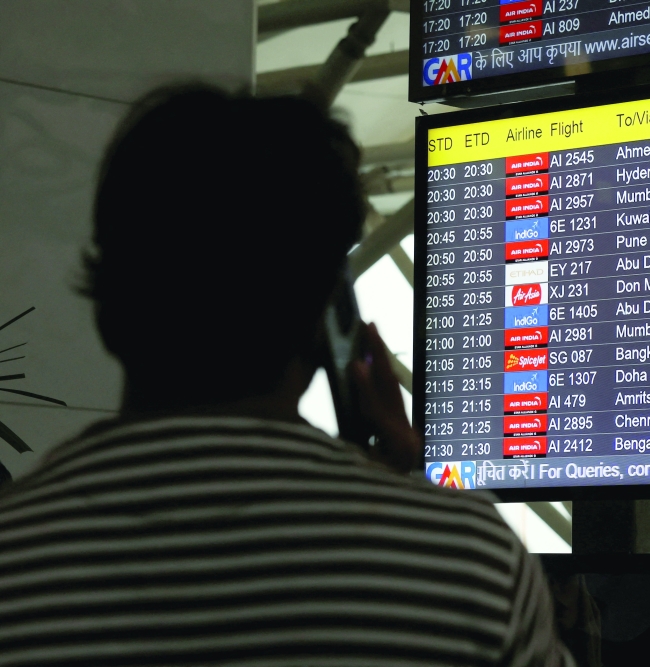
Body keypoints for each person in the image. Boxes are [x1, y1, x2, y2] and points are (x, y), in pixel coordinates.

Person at [0, 86, 572, 666]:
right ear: (327, 316)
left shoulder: (17, 550)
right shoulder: (471, 565)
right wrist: (418, 486)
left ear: (107, 307)